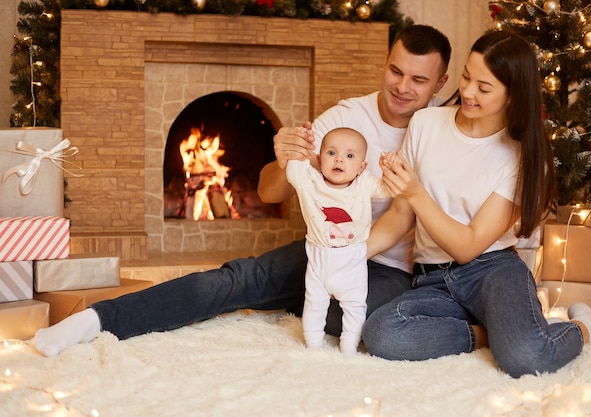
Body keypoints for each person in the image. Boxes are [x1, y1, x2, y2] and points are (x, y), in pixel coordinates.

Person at [34, 24, 452, 357]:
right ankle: (96, 320)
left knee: (347, 320)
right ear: (385, 62)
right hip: (322, 251)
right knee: (239, 279)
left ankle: (300, 298)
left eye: (418, 79)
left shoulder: (438, 133)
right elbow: (271, 193)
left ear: (440, 82)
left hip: (387, 270)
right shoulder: (345, 117)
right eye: (395, 71)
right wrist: (282, 158)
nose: (402, 87)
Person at [361, 30, 591, 378]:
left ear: (512, 95)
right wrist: (349, 255)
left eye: (484, 87)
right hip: (432, 278)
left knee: (525, 358)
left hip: (492, 271)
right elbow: (401, 215)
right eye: (465, 76)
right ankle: (489, 333)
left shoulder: (523, 156)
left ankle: (584, 327)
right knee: (382, 333)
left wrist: (416, 193)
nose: (468, 92)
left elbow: (468, 247)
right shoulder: (426, 123)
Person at [286, 127, 389, 354]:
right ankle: (312, 343)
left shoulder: (363, 183)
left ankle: (349, 345)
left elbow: (386, 189)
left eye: (349, 156)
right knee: (314, 302)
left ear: (362, 167)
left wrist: (389, 170)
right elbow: (294, 172)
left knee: (355, 306)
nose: (339, 159)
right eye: (331, 153)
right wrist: (301, 149)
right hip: (319, 258)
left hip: (352, 259)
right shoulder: (310, 182)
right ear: (319, 158)